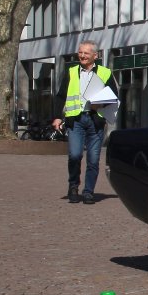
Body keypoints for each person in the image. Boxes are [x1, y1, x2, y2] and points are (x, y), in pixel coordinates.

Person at [52, 40, 116, 204]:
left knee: (93, 160)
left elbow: (113, 96)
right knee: (75, 155)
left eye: (86, 53)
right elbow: (61, 96)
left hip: (95, 120)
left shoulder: (105, 73)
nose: (82, 56)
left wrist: (100, 104)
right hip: (76, 120)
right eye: (80, 52)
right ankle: (73, 186)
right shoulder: (72, 71)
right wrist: (57, 117)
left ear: (95, 55)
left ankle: (88, 192)